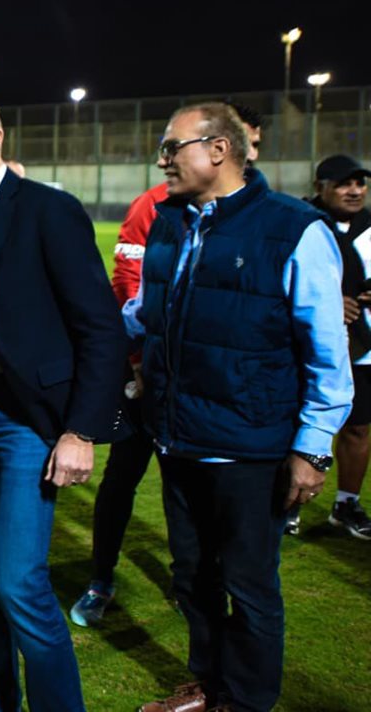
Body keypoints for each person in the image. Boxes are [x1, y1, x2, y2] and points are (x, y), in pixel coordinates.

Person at [133, 103, 351, 712]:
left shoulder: (293, 227)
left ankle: (248, 700)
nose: (162, 160)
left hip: (251, 445)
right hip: (178, 436)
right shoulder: (169, 222)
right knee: (191, 574)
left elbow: (326, 348)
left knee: (249, 583)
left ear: (219, 149)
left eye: (172, 147)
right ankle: (209, 685)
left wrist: (313, 445)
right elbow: (150, 316)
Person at [0, 99, 128, 712]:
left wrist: (81, 431)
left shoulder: (48, 210)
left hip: (25, 420)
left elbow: (99, 327)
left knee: (19, 582)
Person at [70, 102, 268, 626]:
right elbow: (129, 287)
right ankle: (100, 579)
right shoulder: (153, 207)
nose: (250, 152)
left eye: (254, 143)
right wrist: (135, 363)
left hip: (207, 396)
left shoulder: (268, 219)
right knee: (121, 481)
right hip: (146, 380)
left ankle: (192, 587)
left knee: (196, 498)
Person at [309, 154, 371, 539]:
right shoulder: (303, 222)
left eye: (360, 183)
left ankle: (346, 503)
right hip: (310, 345)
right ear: (321, 187)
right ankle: (288, 501)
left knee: (359, 427)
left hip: (364, 346)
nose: (355, 190)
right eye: (344, 183)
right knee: (300, 421)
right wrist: (330, 301)